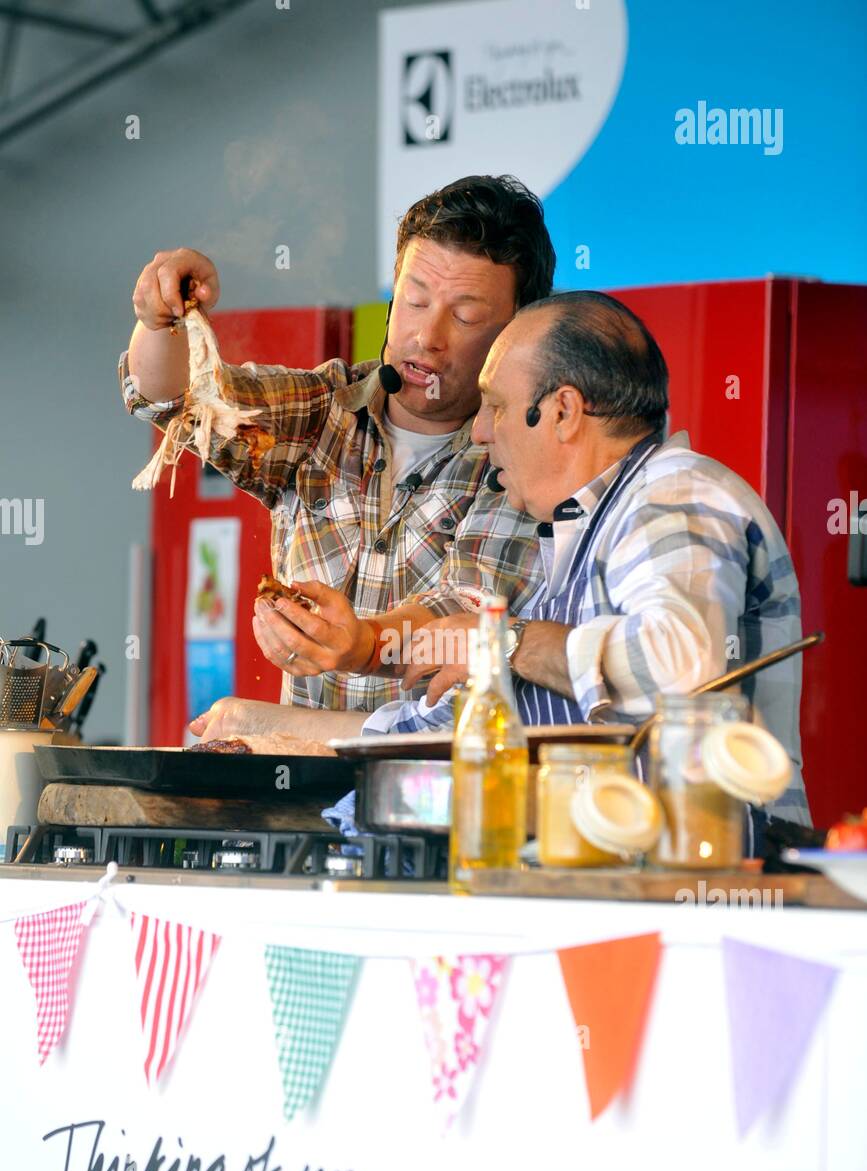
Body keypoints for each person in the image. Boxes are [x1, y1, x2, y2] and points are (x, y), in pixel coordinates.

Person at [285, 290, 810, 826]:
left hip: (710, 891)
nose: (481, 431)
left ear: (562, 411)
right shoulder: (574, 543)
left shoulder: (674, 496)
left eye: (497, 406)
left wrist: (507, 642)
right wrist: (259, 733)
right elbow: (453, 732)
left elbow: (677, 668)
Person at [119, 175, 553, 742]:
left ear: (515, 335)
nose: (427, 336)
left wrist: (366, 644)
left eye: (466, 317)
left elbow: (466, 618)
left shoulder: (522, 461)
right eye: (416, 301)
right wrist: (162, 319)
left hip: (436, 793)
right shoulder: (325, 412)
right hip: (297, 794)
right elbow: (176, 401)